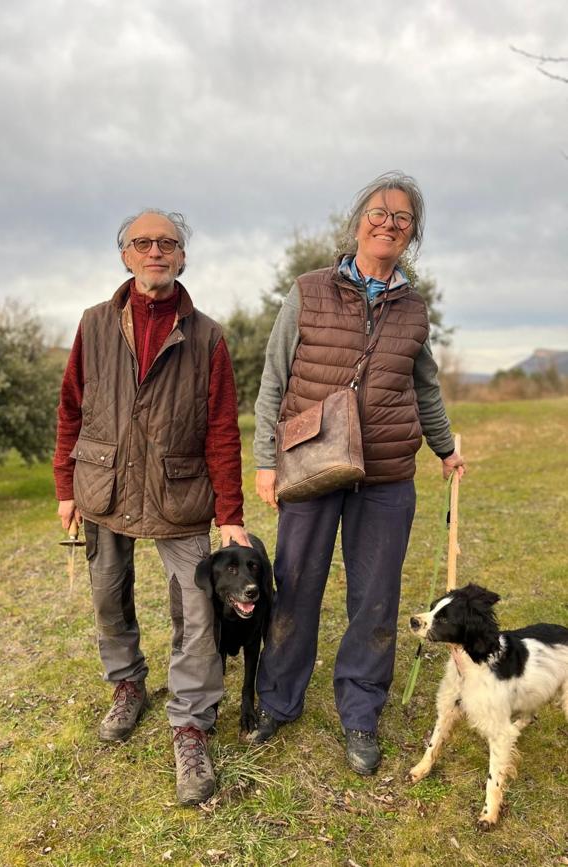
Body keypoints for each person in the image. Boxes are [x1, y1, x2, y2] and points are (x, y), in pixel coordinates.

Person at [251, 172, 465, 775]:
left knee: (375, 600)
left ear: (412, 235)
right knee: (295, 588)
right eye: (379, 212)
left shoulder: (413, 308)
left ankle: (361, 711)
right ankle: (279, 701)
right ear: (357, 221)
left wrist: (445, 449)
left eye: (402, 219)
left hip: (388, 474)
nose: (389, 224)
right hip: (311, 464)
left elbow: (425, 388)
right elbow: (274, 377)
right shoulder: (308, 290)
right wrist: (266, 461)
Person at [53, 209, 249, 805]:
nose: (155, 250)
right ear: (126, 255)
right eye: (143, 242)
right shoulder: (92, 325)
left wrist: (232, 513)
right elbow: (70, 409)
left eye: (168, 242)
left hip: (179, 491)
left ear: (183, 256)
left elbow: (222, 429)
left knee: (195, 608)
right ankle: (128, 686)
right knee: (108, 594)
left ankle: (190, 720)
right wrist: (65, 486)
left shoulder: (209, 336)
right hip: (104, 485)